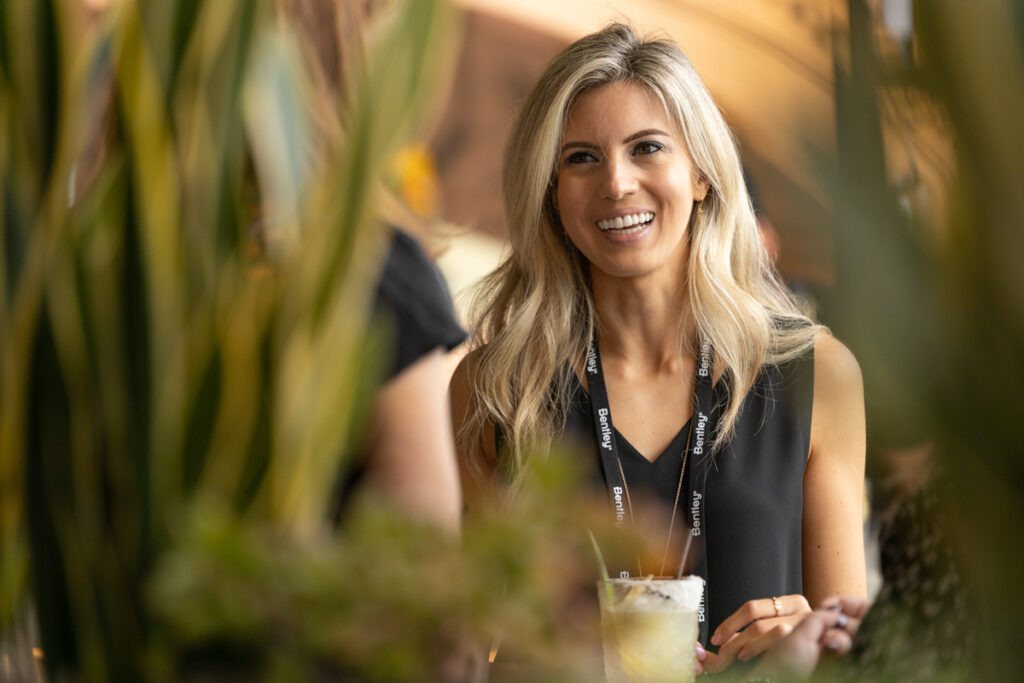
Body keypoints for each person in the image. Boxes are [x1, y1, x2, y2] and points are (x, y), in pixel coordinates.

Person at [450, 23, 866, 672]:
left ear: (700, 173)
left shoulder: (818, 374)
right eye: (580, 158)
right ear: (551, 193)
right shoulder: (496, 386)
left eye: (647, 148)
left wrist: (811, 635)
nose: (616, 183)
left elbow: (857, 654)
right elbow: (465, 644)